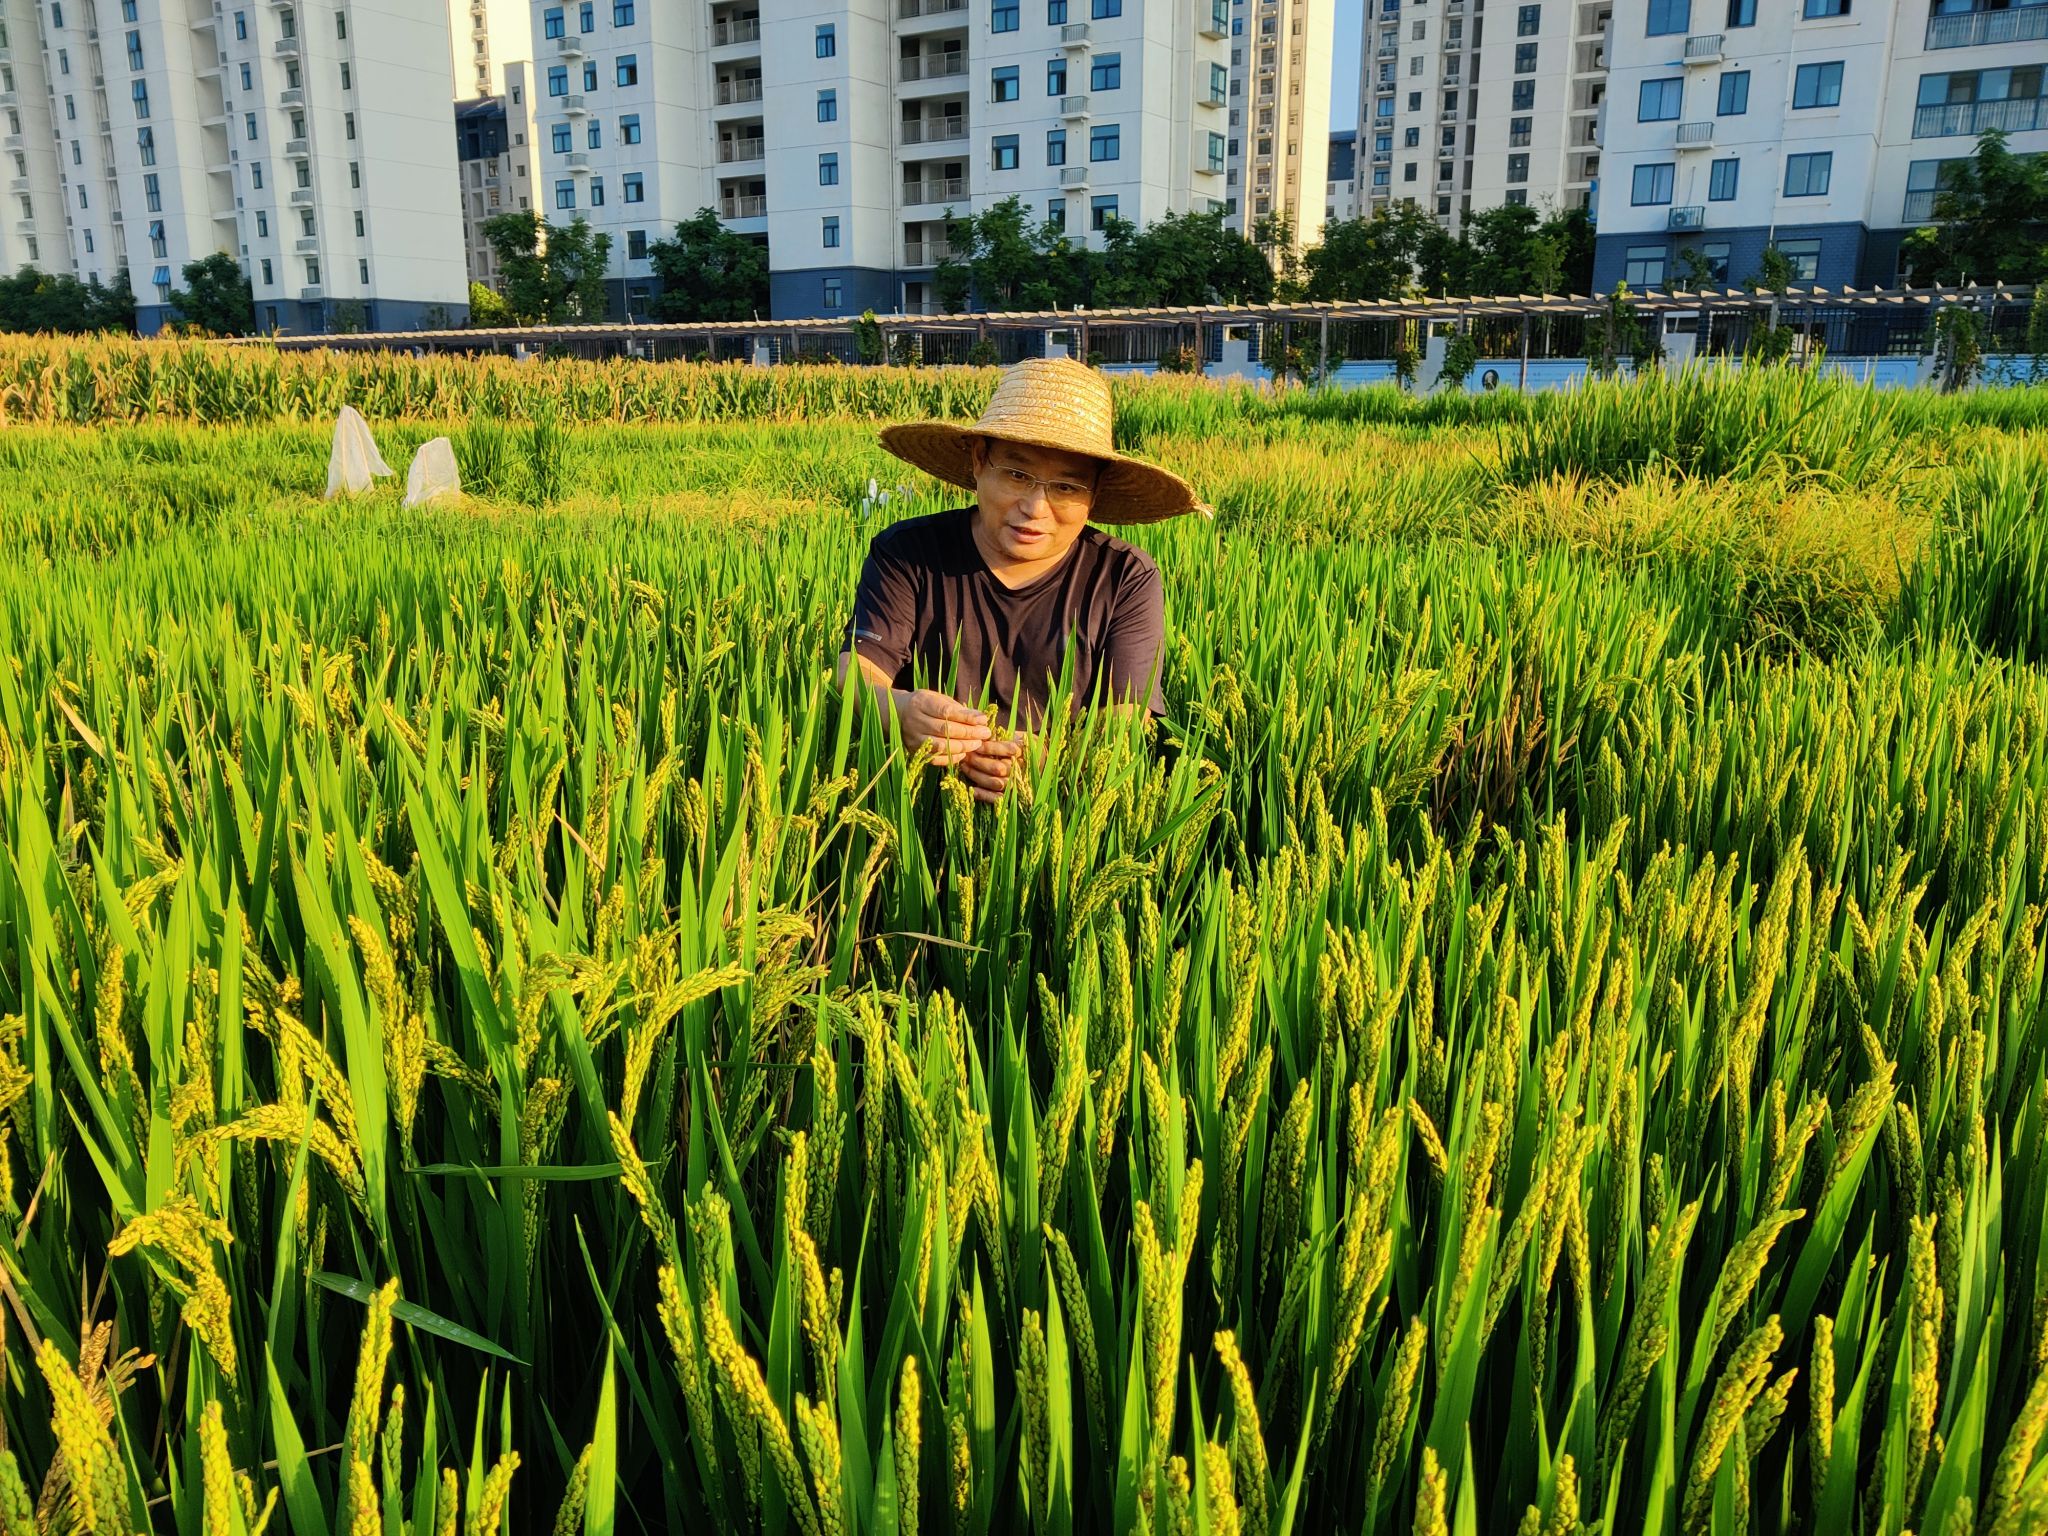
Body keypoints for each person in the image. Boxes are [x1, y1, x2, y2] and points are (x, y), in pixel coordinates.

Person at [837, 355, 1209, 804]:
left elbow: (1126, 716)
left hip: (1062, 810)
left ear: (1095, 493)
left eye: (1066, 487)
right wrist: (899, 712)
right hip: (919, 802)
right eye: (1017, 475)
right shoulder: (909, 553)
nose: (1035, 508)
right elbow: (856, 671)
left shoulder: (1125, 576)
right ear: (979, 460)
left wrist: (1050, 759)